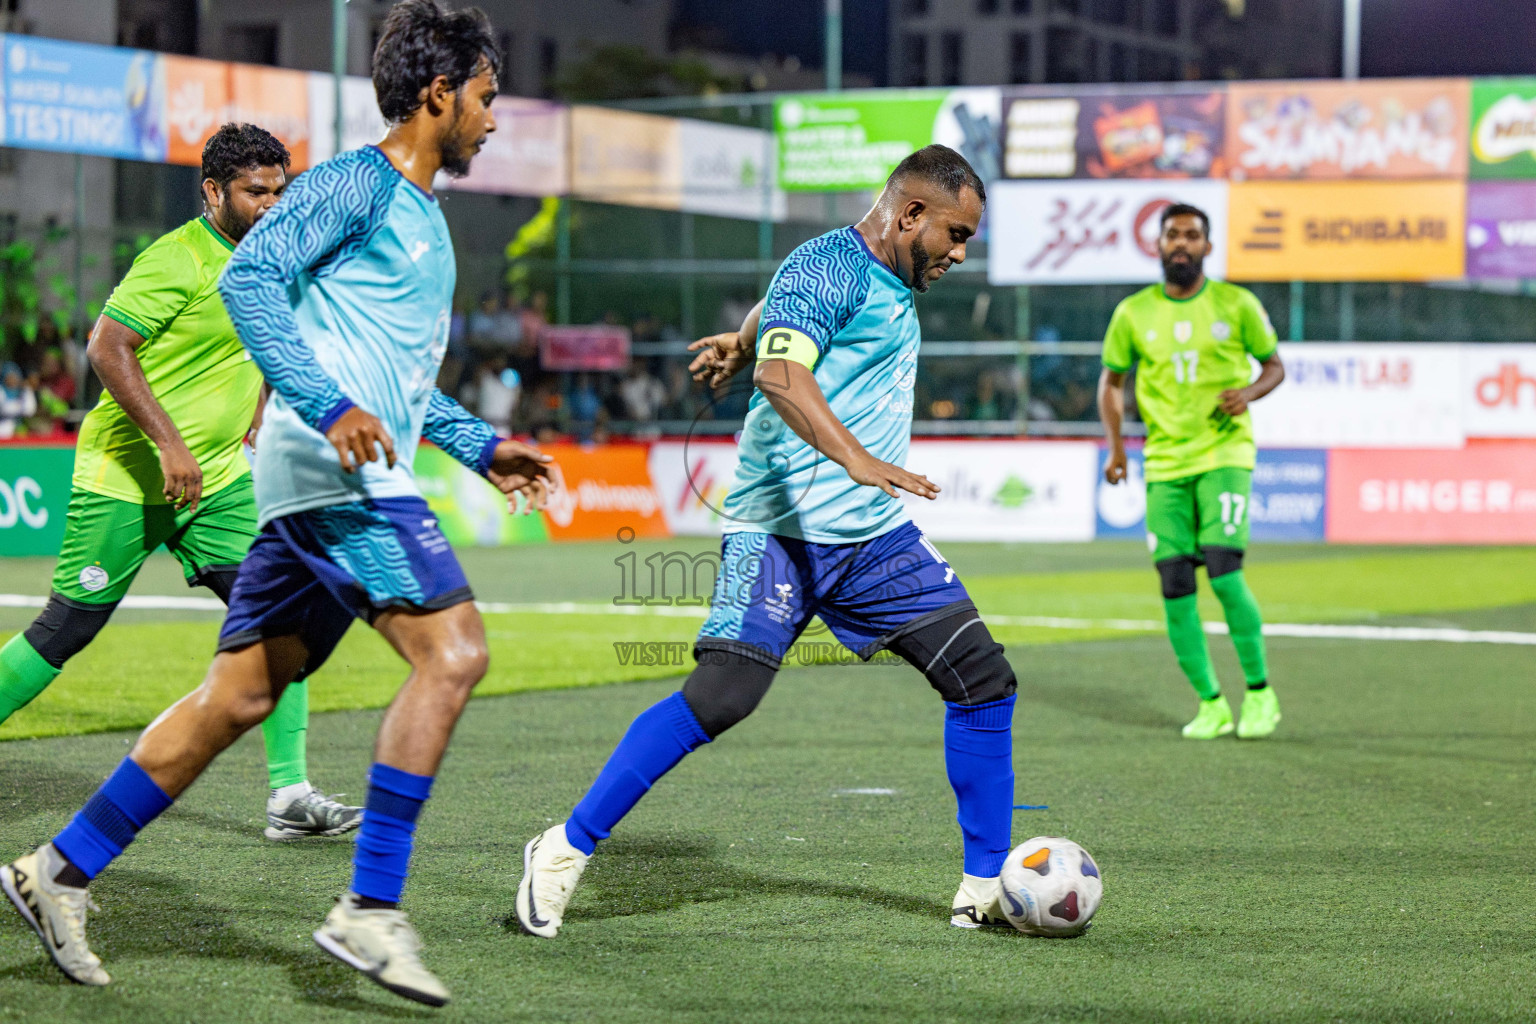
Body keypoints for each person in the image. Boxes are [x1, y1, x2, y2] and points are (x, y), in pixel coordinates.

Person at [1, 1, 557, 1006]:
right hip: (336, 477)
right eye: (484, 97)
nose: (490, 118)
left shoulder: (421, 215)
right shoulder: (352, 183)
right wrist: (326, 403)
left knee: (238, 697)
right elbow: (253, 278)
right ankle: (371, 908)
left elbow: (398, 381)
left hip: (324, 473)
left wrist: (483, 447)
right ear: (438, 94)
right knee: (456, 651)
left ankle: (58, 868)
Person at [515, 145, 1023, 939]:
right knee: (723, 697)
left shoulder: (876, 275)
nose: (959, 255)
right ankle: (563, 847)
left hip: (870, 539)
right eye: (955, 235)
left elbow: (780, 322)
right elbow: (785, 378)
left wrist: (743, 335)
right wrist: (853, 453)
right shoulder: (830, 262)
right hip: (779, 528)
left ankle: (986, 885)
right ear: (910, 214)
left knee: (984, 682)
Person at [0, 125, 360, 839]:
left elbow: (257, 346)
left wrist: (253, 419)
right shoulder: (177, 259)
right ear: (213, 192)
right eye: (255, 192)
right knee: (67, 628)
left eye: (279, 190)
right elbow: (106, 347)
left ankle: (289, 796)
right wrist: (169, 443)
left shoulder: (274, 262)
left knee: (284, 613)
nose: (270, 204)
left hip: (220, 480)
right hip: (127, 474)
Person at [1097, 202, 1286, 741]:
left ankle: (1259, 692)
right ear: (1157, 245)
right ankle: (1210, 703)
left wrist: (1248, 393)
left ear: (1207, 246)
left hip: (1224, 454)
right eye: (1172, 235)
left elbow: (1274, 365)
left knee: (1225, 570)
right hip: (1165, 461)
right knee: (1175, 581)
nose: (1181, 244)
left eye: (1192, 236)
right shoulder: (1133, 313)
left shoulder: (1236, 303)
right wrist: (1116, 448)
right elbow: (1111, 382)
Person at [0, 363, 36, 438]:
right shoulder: (1, 390)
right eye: (9, 376)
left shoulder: (24, 391)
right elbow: (4, 410)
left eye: (14, 376)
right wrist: (19, 408)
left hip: (20, 427)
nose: (12, 379)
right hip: (3, 426)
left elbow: (30, 410)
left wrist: (27, 390)